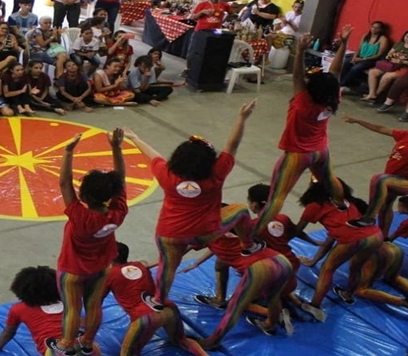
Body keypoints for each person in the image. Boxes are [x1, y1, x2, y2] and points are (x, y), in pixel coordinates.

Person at [123, 101, 259, 312]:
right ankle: (249, 246)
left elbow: (154, 156)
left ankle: (159, 300)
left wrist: (135, 138)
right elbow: (232, 145)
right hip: (205, 234)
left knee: (168, 266)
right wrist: (242, 118)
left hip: (170, 235)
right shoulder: (217, 174)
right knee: (241, 210)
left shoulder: (167, 175)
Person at [252, 28, 351, 239]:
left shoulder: (304, 101)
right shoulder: (332, 98)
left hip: (298, 154)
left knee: (276, 197)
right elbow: (335, 72)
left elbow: (297, 75)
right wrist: (343, 44)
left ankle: (252, 239)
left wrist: (300, 50)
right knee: (330, 180)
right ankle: (343, 207)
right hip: (321, 150)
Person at [51, 128, 127, 356]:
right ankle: (86, 343)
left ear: (83, 196)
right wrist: (115, 147)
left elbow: (65, 183)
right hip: (102, 267)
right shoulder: (118, 211)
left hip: (73, 270)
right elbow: (120, 179)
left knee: (72, 309)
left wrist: (68, 151)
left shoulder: (81, 216)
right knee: (94, 305)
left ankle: (66, 345)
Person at [193, 205, 294, 350]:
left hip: (260, 267)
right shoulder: (243, 232)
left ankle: (213, 341)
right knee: (273, 297)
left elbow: (179, 247)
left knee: (235, 306)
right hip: (281, 261)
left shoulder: (208, 235)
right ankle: (270, 324)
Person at [294, 179, 383, 315]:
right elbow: (331, 239)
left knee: (327, 269)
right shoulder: (350, 200)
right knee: (356, 267)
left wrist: (311, 241)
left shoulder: (315, 206)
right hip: (375, 235)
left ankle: (315, 305)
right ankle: (348, 294)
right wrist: (313, 260)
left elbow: (297, 231)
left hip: (352, 239)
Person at [105, 242, 207, 356]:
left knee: (126, 353)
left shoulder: (108, 275)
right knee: (181, 340)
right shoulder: (139, 265)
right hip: (168, 309)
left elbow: (94, 303)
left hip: (145, 318)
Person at [0, 266, 101, 356]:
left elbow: (9, 332)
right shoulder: (70, 301)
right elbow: (86, 322)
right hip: (89, 349)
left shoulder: (18, 309)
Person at [342, 114, 408, 233]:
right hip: (391, 178)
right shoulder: (407, 135)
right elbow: (380, 129)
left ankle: (368, 217)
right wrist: (357, 120)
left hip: (406, 182)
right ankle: (383, 236)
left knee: (379, 179)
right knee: (385, 206)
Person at [347, 241, 408, 311]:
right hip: (393, 247)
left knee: (360, 290)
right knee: (394, 277)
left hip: (374, 252)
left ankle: (404, 302)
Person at [361, 29, 408, 103]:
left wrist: (402, 61)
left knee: (386, 77)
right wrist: (390, 56)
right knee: (372, 72)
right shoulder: (399, 44)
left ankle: (376, 95)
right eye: (407, 36)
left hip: (404, 68)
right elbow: (389, 54)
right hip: (391, 65)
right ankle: (372, 93)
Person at [339, 21, 390, 89]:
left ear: (381, 29)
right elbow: (359, 48)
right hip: (361, 56)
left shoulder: (383, 39)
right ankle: (341, 81)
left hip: (372, 59)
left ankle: (343, 84)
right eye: (373, 27)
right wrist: (355, 57)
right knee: (346, 62)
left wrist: (363, 59)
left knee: (356, 68)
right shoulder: (366, 36)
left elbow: (379, 54)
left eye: (377, 28)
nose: (374, 29)